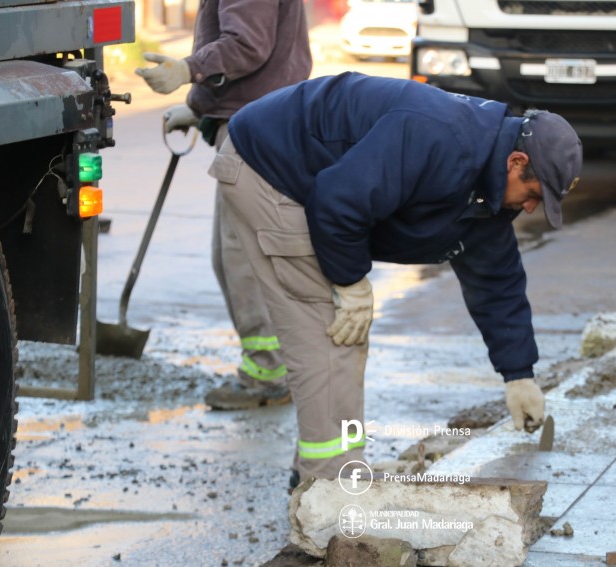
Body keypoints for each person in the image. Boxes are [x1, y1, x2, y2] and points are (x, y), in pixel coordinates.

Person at [210, 72, 582, 482]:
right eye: (533, 196)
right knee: (333, 337)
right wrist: (350, 283)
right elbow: (338, 202)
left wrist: (519, 374)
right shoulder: (438, 137)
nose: (530, 209)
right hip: (271, 168)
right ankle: (328, 492)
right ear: (517, 162)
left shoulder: (487, 182)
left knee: (340, 340)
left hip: (304, 175)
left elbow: (496, 278)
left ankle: (316, 476)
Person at [134, 0, 312, 410]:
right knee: (232, 258)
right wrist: (197, 107)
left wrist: (186, 69)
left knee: (242, 262)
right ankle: (269, 368)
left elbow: (247, 45)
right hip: (257, 119)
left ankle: (268, 372)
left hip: (256, 126)